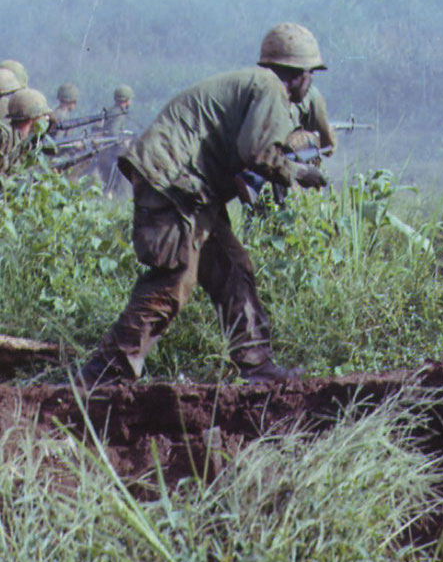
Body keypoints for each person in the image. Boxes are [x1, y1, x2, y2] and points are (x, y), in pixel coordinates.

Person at [79, 22, 329, 387]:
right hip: (172, 183)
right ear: (300, 74)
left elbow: (243, 154)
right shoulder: (271, 89)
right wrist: (296, 171)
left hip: (190, 189)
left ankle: (256, 365)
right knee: (173, 279)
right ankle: (102, 374)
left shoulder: (255, 85)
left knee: (232, 269)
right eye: (311, 74)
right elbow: (256, 152)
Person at [0, 88, 52, 175]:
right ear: (32, 119)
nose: (46, 119)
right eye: (43, 116)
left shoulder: (20, 142)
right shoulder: (4, 138)